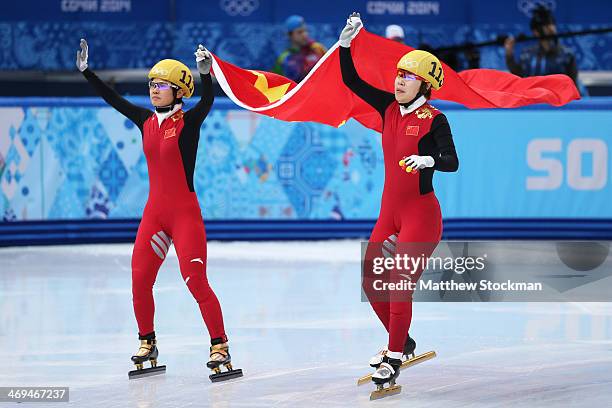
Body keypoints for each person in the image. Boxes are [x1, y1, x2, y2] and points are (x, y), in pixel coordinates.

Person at [76, 39, 241, 381]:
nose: (154, 89)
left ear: (179, 91)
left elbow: (208, 101)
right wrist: (87, 73)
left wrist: (206, 75)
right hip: (155, 215)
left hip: (184, 217)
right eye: (151, 84)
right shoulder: (145, 121)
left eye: (161, 84)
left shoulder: (188, 124)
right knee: (139, 280)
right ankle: (147, 342)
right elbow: (113, 99)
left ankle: (220, 345)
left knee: (195, 280)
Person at [338, 13, 459, 390]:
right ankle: (402, 341)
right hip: (389, 214)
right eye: (398, 75)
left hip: (421, 217)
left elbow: (452, 162)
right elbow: (351, 80)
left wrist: (429, 159)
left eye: (407, 77)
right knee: (372, 281)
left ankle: (393, 356)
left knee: (399, 283)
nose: (398, 81)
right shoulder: (388, 108)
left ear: (424, 85)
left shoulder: (435, 119)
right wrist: (345, 46)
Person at [505, 5, 582, 92]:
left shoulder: (567, 54)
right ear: (535, 32)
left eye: (552, 25)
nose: (551, 28)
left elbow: (573, 84)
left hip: (559, 101)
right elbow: (519, 76)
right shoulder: (527, 54)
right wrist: (509, 54)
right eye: (546, 25)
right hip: (533, 100)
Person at [273, 15, 327, 82]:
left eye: (306, 31)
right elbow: (277, 82)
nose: (305, 34)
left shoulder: (318, 49)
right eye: (300, 32)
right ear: (290, 35)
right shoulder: (284, 58)